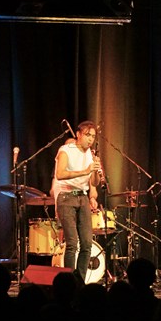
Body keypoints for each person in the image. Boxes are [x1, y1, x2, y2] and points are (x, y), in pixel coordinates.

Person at [54, 120, 101, 283]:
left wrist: (96, 171)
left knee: (87, 243)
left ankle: (79, 281)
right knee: (72, 243)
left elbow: (94, 182)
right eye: (88, 135)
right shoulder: (66, 150)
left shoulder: (91, 154)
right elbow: (60, 174)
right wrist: (85, 170)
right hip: (67, 197)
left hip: (82, 197)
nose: (91, 139)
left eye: (93, 136)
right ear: (79, 134)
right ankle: (68, 282)